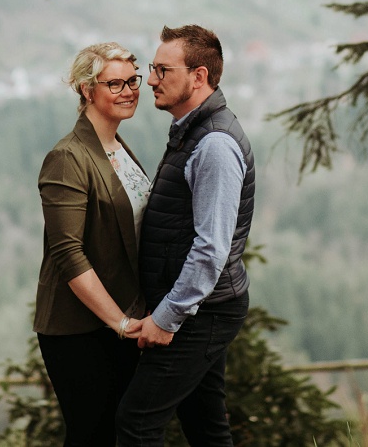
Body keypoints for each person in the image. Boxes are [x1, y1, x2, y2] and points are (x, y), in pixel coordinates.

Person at [118, 25, 254, 447]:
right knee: (206, 427)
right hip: (202, 308)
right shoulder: (191, 131)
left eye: (162, 69)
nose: (152, 80)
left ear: (198, 77)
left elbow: (211, 249)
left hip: (200, 313)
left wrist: (167, 316)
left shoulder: (214, 143)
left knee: (136, 424)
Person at [35, 42, 154, 447]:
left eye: (132, 81)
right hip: (79, 328)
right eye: (114, 83)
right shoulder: (68, 157)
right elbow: (68, 254)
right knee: (92, 436)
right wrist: (118, 322)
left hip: (120, 319)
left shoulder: (117, 148)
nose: (128, 91)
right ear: (87, 90)